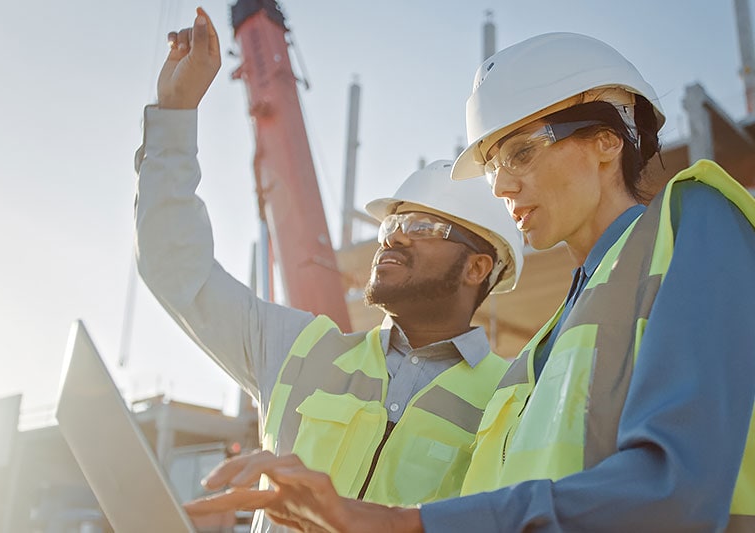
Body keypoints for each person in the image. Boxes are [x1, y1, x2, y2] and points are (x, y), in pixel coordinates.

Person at [185, 31, 755, 532]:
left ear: (608, 139)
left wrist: (397, 524)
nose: (502, 187)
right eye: (492, 168)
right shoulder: (536, 356)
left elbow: (677, 492)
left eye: (522, 153)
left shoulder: (691, 220)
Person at [133, 8, 524, 532]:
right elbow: (175, 267)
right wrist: (174, 116)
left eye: (424, 227)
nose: (396, 237)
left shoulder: (516, 396)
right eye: (393, 226)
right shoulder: (299, 351)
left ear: (478, 267)